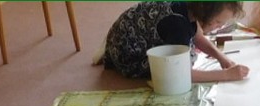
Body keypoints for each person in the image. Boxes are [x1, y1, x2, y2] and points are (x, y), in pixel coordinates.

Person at [103, 1, 250, 84]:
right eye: (218, 22)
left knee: (187, 47)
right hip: (127, 55)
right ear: (205, 12)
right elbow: (181, 74)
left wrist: (222, 58)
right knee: (171, 68)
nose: (219, 27)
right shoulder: (178, 26)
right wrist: (226, 75)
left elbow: (197, 35)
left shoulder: (190, 8)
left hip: (122, 36)